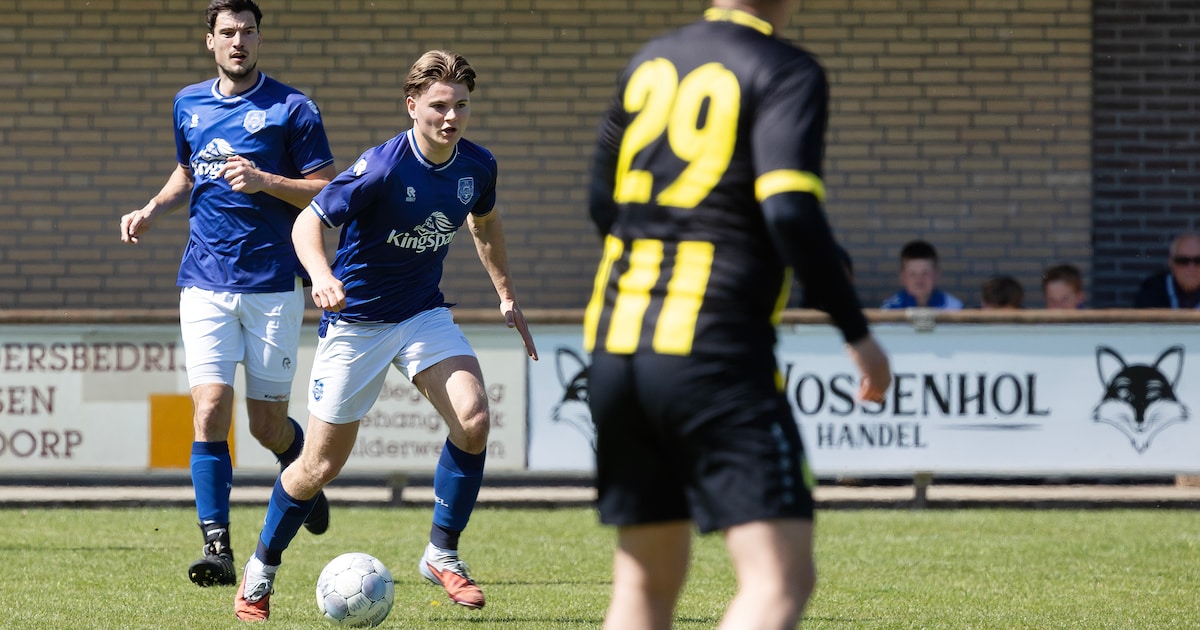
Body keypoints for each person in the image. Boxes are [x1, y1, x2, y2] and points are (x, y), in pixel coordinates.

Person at [584, 2, 892, 628]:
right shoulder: (785, 68)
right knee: (779, 578)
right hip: (712, 347)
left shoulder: (650, 59)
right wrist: (858, 334)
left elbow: (600, 203)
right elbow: (788, 211)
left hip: (617, 343)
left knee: (644, 583)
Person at [234, 49, 539, 621]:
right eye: (439, 106)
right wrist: (322, 276)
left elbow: (486, 223)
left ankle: (442, 554)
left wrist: (506, 293)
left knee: (473, 420)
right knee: (319, 467)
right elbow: (307, 221)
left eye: (461, 107)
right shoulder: (380, 167)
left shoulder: (478, 167)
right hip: (356, 323)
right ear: (413, 106)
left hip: (422, 314)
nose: (451, 118)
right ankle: (259, 573)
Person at [119, 0, 336, 589]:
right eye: (227, 32)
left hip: (272, 285)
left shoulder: (293, 107)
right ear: (209, 41)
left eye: (248, 32)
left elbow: (327, 193)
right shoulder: (187, 102)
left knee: (267, 426)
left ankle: (300, 468)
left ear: (259, 39)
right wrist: (152, 207)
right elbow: (187, 170)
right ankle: (217, 545)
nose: (238, 41)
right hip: (204, 282)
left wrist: (266, 181)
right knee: (211, 407)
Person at [880, 239, 964, 310]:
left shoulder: (954, 307)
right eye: (912, 274)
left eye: (925, 273)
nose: (919, 279)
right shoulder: (890, 309)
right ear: (902, 277)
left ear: (936, 275)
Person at [1133, 232, 1200, 308]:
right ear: (1171, 263)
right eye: (1183, 261)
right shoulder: (1152, 291)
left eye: (1198, 261)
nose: (1191, 268)